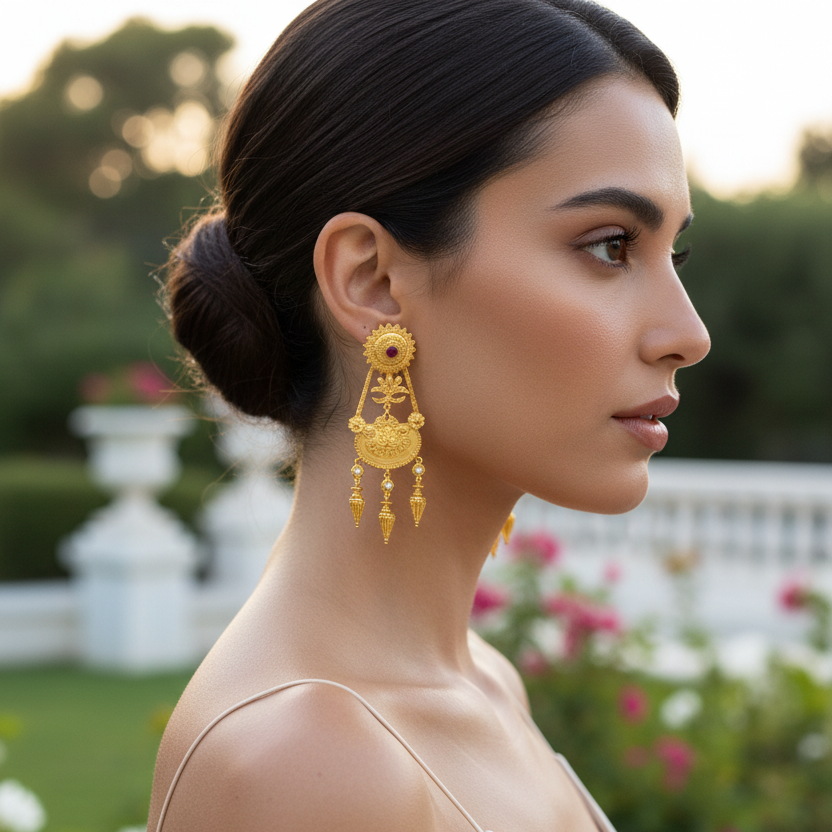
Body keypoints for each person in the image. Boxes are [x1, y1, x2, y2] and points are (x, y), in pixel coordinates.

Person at [148, 0, 710, 829]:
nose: (688, 335)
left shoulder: (484, 682)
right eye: (610, 245)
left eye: (675, 254)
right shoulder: (308, 761)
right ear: (372, 281)